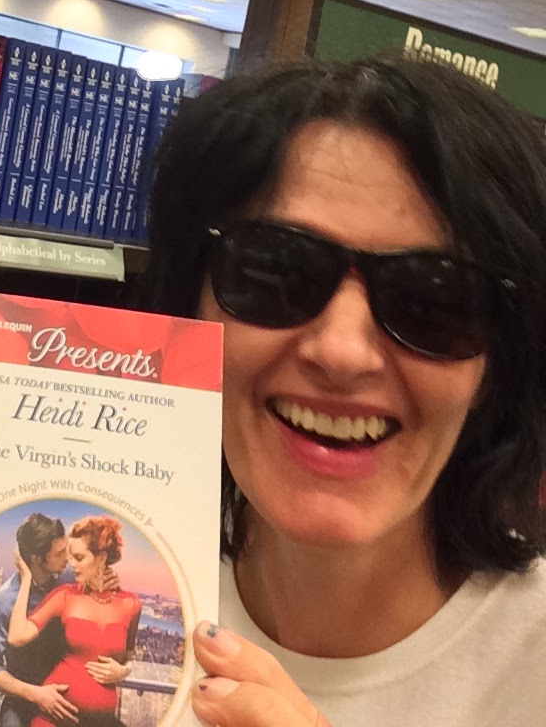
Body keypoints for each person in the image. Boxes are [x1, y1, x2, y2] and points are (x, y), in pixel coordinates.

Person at [143, 56, 546, 726]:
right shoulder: (105, 565)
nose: (341, 352)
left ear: (494, 366)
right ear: (190, 307)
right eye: (276, 270)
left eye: (432, 299)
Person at [9, 514, 140, 727]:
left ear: (101, 558)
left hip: (100, 723)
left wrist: (123, 671)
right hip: (51, 720)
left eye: (79, 558)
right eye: (70, 558)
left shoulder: (131, 605)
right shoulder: (64, 595)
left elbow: (128, 657)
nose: (72, 564)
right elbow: (16, 637)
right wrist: (26, 579)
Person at [0, 513, 78, 727]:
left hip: (70, 699)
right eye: (59, 553)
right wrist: (36, 694)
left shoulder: (70, 582)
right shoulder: (1, 601)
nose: (68, 558)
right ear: (36, 558)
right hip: (22, 704)